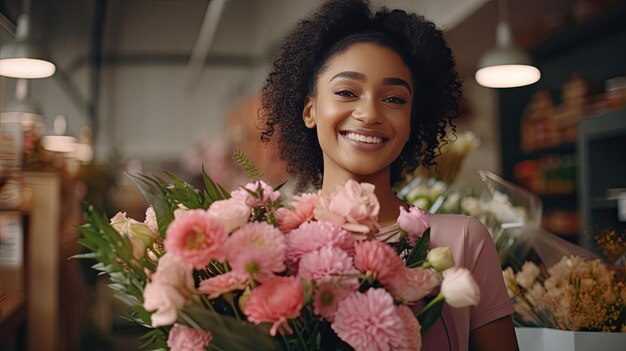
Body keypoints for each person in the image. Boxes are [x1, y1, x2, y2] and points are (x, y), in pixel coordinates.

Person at [260, 0, 518, 350]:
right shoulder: (269, 243)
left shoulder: (463, 241)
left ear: (412, 121)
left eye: (394, 99)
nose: (368, 113)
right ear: (310, 110)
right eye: (347, 93)